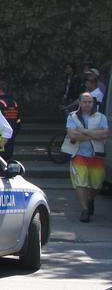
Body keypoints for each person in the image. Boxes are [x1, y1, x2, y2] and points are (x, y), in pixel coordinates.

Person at [63, 92, 108, 222]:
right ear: (80, 103)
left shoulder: (101, 117)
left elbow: (104, 134)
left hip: (96, 155)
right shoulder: (72, 117)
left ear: (93, 103)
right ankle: (85, 210)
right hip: (78, 154)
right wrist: (94, 134)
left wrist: (83, 131)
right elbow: (73, 136)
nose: (87, 104)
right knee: (81, 183)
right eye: (85, 102)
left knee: (97, 185)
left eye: (90, 102)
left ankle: (90, 199)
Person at [0, 82, 22, 161]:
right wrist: (13, 133)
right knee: (7, 159)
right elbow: (18, 121)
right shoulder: (14, 103)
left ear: (0, 90)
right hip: (11, 136)